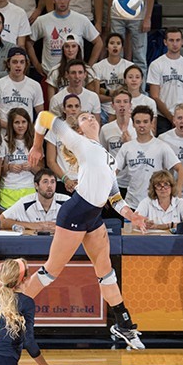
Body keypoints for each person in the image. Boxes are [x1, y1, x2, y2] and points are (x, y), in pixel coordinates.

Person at [26, 109, 148, 348]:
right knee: (52, 270)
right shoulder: (78, 141)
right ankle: (14, 310)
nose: (90, 118)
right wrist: (37, 146)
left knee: (105, 271)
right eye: (84, 117)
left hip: (94, 216)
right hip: (76, 212)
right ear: (79, 129)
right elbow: (43, 118)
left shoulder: (108, 156)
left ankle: (123, 324)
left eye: (92, 116)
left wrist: (132, 215)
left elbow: (115, 197)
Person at [115, 105, 183, 208]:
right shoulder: (126, 147)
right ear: (133, 124)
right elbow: (113, 171)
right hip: (132, 204)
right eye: (138, 122)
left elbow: (180, 169)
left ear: (151, 122)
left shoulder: (162, 146)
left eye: (145, 121)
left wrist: (178, 190)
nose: (141, 125)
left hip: (156, 204)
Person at [27, 0, 101, 80]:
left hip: (75, 76)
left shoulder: (81, 19)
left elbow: (98, 42)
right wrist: (36, 64)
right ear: (53, 0)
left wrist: (88, 67)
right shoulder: (42, 20)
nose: (62, 2)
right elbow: (28, 42)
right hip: (50, 75)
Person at [106, 0, 155, 74]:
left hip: (138, 15)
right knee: (116, 55)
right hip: (117, 14)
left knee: (140, 57)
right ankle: (118, 89)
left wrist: (148, 17)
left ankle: (140, 91)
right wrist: (109, 16)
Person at [147, 27, 183, 135]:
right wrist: (171, 117)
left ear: (182, 42)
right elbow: (154, 96)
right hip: (163, 116)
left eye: (177, 40)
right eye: (171, 40)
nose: (174, 43)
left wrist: (181, 117)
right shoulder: (156, 64)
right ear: (165, 42)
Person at [0, 46, 44, 126]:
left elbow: (41, 114)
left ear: (26, 64)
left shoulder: (35, 85)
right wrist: (11, 128)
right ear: (8, 64)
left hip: (25, 134)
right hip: (3, 134)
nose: (18, 65)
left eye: (22, 62)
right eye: (15, 62)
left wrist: (31, 130)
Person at [1, 167, 70, 231]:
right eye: (45, 182)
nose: (49, 185)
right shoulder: (25, 202)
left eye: (52, 182)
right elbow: (1, 221)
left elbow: (80, 221)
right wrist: (32, 225)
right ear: (36, 186)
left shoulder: (66, 201)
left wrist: (61, 226)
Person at [0, 107, 39, 209]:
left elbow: (41, 170)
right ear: (11, 124)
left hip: (29, 188)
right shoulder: (3, 142)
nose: (21, 126)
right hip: (8, 189)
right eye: (17, 122)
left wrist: (31, 166)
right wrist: (9, 167)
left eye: (23, 122)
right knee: (6, 224)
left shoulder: (35, 143)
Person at [92, 32, 133, 121]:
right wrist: (116, 97)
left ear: (122, 48)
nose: (115, 46)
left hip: (124, 110)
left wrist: (107, 92)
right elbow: (96, 96)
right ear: (106, 47)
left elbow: (131, 93)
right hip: (103, 110)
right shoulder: (98, 67)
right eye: (112, 43)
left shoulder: (130, 66)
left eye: (118, 43)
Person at [45, 93, 80, 193]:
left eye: (76, 106)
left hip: (83, 181)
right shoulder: (55, 129)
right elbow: (50, 161)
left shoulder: (87, 129)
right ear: (64, 109)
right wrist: (66, 179)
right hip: (62, 181)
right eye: (70, 106)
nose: (73, 109)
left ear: (80, 108)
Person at [45, 34, 99, 100]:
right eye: (67, 46)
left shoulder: (88, 70)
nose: (70, 50)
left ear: (78, 48)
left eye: (73, 46)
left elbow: (91, 98)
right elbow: (51, 100)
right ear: (63, 49)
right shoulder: (55, 71)